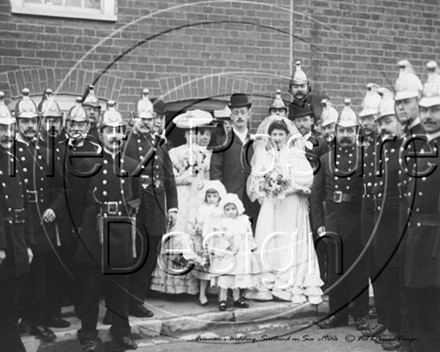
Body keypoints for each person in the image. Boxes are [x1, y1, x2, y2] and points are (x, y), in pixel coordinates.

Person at [70, 101, 139, 352]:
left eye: (119, 130)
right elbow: (77, 202)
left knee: (120, 287)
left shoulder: (131, 165)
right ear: (101, 134)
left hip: (120, 230)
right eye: (109, 130)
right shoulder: (88, 163)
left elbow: (135, 198)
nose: (115, 136)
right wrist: (85, 228)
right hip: (94, 232)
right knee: (90, 287)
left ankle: (121, 332)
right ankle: (88, 334)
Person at [244, 117, 323, 304]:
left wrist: (289, 187)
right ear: (269, 136)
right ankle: (268, 283)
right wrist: (269, 188)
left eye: (281, 134)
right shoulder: (265, 155)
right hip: (272, 205)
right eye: (274, 134)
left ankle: (289, 284)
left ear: (287, 136)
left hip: (291, 204)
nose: (277, 137)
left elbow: (307, 178)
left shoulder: (295, 154)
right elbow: (255, 183)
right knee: (269, 238)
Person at [312, 101, 369, 331]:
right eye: (341, 130)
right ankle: (338, 315)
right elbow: (316, 197)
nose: (345, 135)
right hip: (333, 219)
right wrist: (319, 225)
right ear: (335, 132)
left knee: (358, 270)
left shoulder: (365, 157)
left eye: (349, 131)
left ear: (356, 132)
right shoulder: (325, 159)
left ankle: (361, 314)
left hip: (357, 220)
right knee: (336, 270)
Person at [15, 88, 65, 341]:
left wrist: (53, 209)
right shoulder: (8, 153)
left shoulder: (46, 153)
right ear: (16, 123)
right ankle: (20, 319)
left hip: (42, 221)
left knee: (41, 275)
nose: (30, 125)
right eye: (24, 121)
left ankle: (39, 320)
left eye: (33, 121)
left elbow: (61, 190)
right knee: (19, 274)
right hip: (18, 222)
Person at [123, 90, 178, 316]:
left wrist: (172, 207)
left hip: (156, 207)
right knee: (130, 258)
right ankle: (120, 304)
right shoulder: (125, 143)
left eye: (149, 119)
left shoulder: (160, 144)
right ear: (134, 117)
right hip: (133, 207)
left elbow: (169, 178)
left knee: (149, 257)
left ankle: (137, 300)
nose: (146, 123)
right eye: (142, 119)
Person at [150, 109, 212, 295]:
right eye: (189, 132)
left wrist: (202, 182)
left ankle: (195, 285)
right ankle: (173, 284)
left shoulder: (205, 154)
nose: (192, 136)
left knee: (196, 234)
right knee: (178, 233)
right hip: (182, 196)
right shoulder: (174, 152)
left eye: (196, 132)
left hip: (198, 198)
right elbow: (170, 178)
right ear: (184, 134)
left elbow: (209, 177)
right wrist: (185, 178)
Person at [403, 61, 440, 352]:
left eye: (435, 110)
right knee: (419, 304)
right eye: (425, 110)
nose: (428, 116)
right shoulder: (421, 146)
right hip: (417, 239)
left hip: (436, 244)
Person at [367, 92, 407, 350]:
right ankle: (387, 319)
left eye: (388, 120)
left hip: (398, 221)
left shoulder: (407, 148)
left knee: (398, 276)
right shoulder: (381, 148)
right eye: (381, 121)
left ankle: (399, 327)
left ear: (401, 122)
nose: (383, 126)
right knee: (382, 273)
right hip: (379, 220)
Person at [0, 92, 35, 352]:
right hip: (2, 243)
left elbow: (23, 205)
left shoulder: (12, 158)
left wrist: (29, 243)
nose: (6, 134)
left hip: (16, 241)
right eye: (1, 129)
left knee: (11, 298)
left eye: (10, 128)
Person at [210, 93, 260, 231]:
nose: (239, 116)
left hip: (252, 200)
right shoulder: (222, 141)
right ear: (231, 116)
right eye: (236, 113)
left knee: (251, 236)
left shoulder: (256, 141)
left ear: (248, 114)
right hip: (230, 199)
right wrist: (220, 197)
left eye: (243, 112)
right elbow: (215, 171)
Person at [210, 193, 259, 311]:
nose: (230, 212)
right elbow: (218, 237)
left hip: (241, 253)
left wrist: (251, 247)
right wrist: (226, 246)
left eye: (233, 208)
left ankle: (237, 299)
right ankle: (222, 299)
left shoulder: (243, 220)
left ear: (238, 208)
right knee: (226, 276)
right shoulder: (221, 222)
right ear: (223, 210)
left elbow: (248, 235)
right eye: (227, 209)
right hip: (227, 254)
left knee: (237, 276)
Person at [186, 180, 227, 306]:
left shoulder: (222, 209)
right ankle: (202, 294)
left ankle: (222, 296)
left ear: (220, 196)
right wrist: (198, 227)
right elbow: (199, 222)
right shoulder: (202, 209)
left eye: (215, 196)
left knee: (221, 268)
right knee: (205, 268)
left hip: (218, 242)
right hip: (206, 242)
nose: (211, 199)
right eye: (209, 196)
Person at [288, 61, 330, 125]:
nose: (299, 89)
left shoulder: (320, 101)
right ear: (290, 89)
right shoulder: (290, 109)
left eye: (302, 86)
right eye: (295, 86)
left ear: (308, 87)